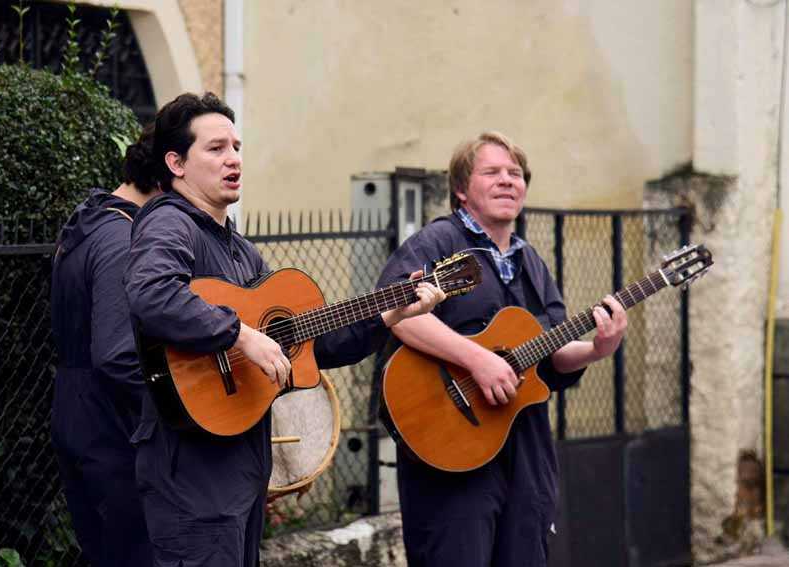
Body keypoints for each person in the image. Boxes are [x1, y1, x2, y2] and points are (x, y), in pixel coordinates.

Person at [124, 92, 444, 566]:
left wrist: (390, 316)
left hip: (239, 460)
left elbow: (308, 342)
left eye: (236, 146)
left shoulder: (238, 249)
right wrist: (240, 335)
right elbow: (151, 294)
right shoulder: (170, 224)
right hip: (191, 464)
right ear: (176, 162)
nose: (233, 158)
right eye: (215, 149)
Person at [376, 131, 628, 567]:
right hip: (450, 446)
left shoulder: (530, 262)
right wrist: (476, 358)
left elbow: (550, 351)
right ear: (461, 189)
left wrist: (596, 349)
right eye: (491, 172)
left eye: (516, 173)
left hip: (525, 449)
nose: (508, 181)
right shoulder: (438, 243)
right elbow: (398, 309)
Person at [50, 125, 160, 566]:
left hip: (77, 409)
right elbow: (117, 355)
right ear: (163, 179)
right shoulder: (121, 238)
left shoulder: (88, 222)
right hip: (111, 425)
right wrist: (181, 408)